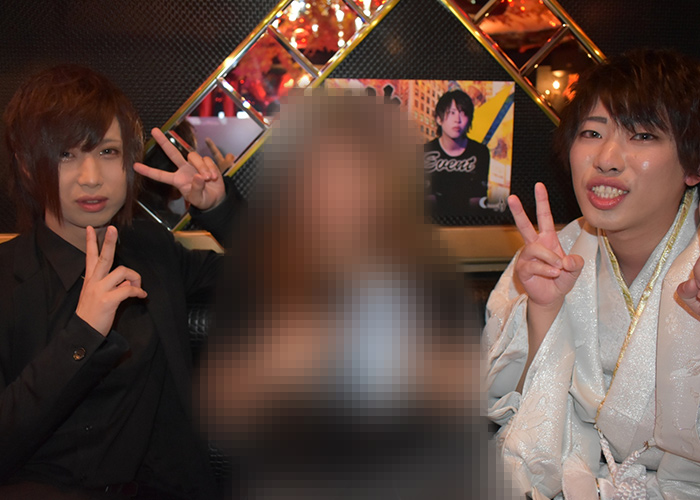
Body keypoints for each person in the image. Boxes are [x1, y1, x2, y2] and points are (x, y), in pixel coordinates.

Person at [197, 92, 508, 499]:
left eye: (357, 174)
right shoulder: (263, 271)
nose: (341, 194)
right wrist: (270, 366)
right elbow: (221, 415)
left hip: (409, 473)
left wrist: (422, 371)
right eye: (324, 176)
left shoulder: (422, 267)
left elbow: (469, 398)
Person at [0, 65, 241, 499]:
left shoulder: (151, 250)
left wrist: (219, 209)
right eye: (66, 154)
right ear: (27, 165)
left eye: (108, 152)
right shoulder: (7, 276)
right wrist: (83, 335)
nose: (91, 177)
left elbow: (277, 274)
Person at [484, 49, 700, 498]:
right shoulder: (550, 256)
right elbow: (504, 407)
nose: (606, 158)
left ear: (693, 164)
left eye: (643, 135)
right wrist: (543, 310)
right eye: (591, 132)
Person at [424, 89, 491, 221]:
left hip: (469, 224)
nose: (457, 120)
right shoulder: (424, 152)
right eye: (452, 113)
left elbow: (478, 198)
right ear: (439, 119)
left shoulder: (480, 152)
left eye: (463, 113)